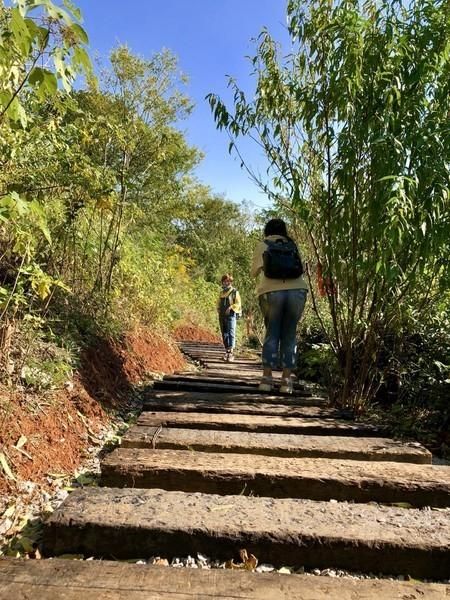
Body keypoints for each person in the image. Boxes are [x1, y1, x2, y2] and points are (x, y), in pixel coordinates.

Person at [251, 219, 308, 393]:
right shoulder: (292, 244)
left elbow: (253, 272)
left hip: (271, 292)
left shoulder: (263, 244)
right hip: (297, 290)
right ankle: (286, 382)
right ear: (284, 230)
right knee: (289, 334)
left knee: (272, 332)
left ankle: (267, 379)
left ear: (267, 230)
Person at [217, 274, 242, 362]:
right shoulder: (221, 292)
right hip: (222, 315)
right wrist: (218, 309)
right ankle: (227, 351)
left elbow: (238, 304)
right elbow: (218, 303)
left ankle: (231, 352)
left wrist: (230, 307)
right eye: (224, 281)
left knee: (231, 332)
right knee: (224, 333)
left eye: (228, 281)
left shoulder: (234, 292)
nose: (226, 283)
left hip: (231, 315)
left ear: (231, 282)